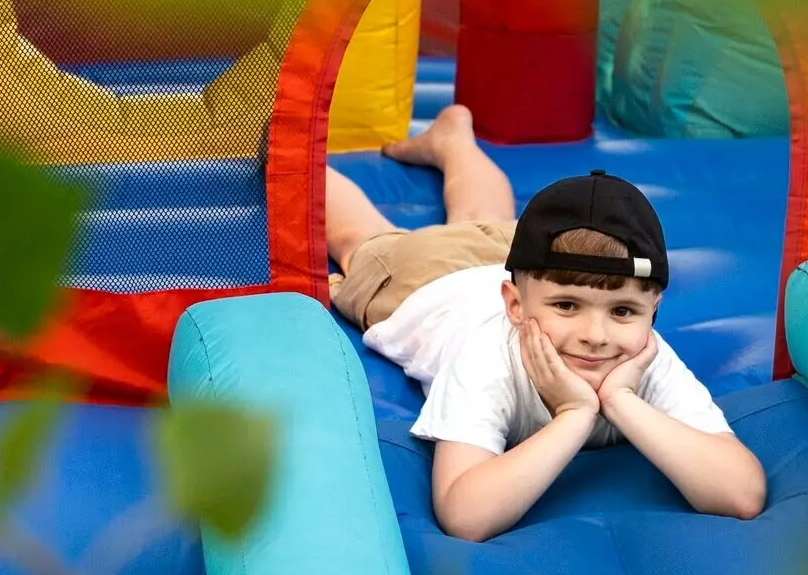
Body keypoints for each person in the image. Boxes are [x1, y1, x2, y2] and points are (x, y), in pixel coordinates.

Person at [327, 104, 767, 542]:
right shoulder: (487, 357)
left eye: (622, 312)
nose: (595, 337)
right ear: (515, 307)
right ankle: (301, 157)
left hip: (511, 250)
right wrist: (575, 414)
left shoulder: (642, 354)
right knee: (357, 238)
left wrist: (620, 401)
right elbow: (464, 515)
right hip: (424, 278)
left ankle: (453, 141)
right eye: (568, 307)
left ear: (653, 310)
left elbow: (742, 494)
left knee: (487, 218)